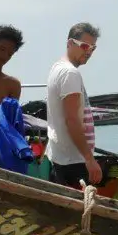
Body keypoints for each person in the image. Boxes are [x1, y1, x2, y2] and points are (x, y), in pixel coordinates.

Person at [44, 23, 101, 189]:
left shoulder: (57, 68)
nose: (88, 51)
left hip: (60, 158)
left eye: (93, 48)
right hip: (73, 162)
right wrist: (89, 159)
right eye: (84, 46)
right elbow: (72, 120)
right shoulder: (70, 73)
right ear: (70, 43)